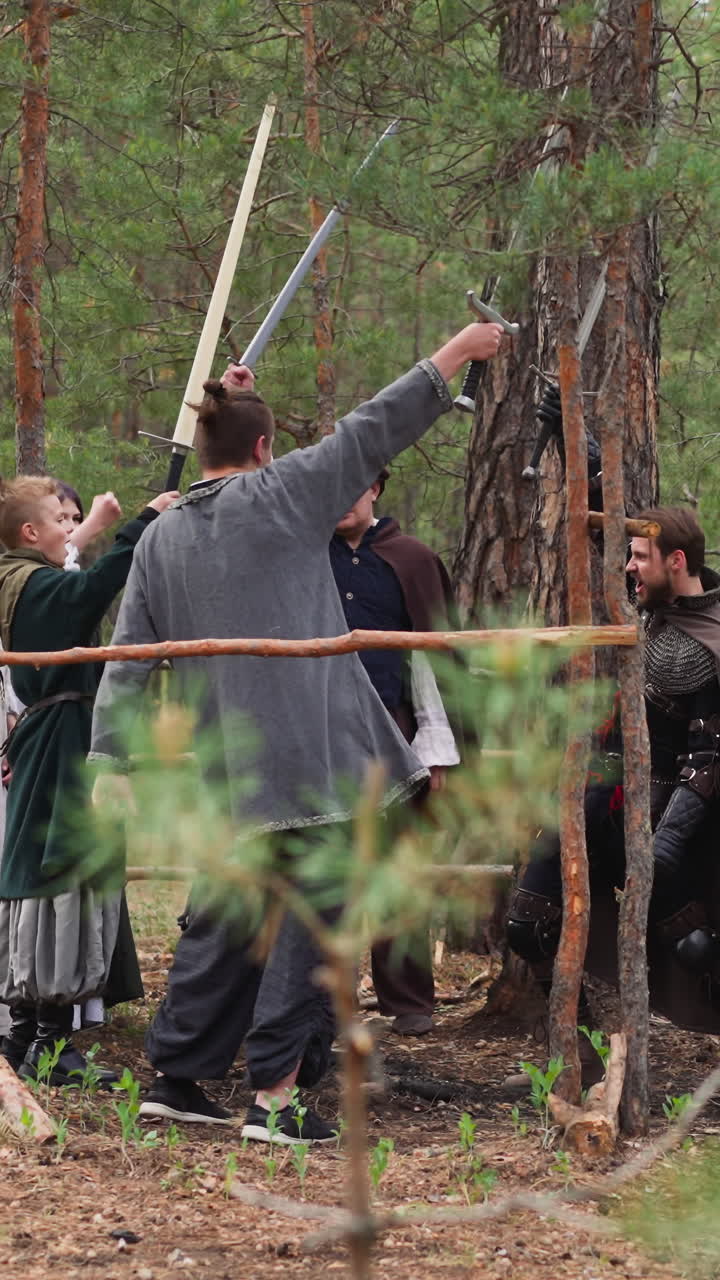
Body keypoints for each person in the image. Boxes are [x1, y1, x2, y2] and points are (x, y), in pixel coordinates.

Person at [89, 321, 504, 1142]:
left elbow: (129, 654)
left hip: (229, 772)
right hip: (315, 767)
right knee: (309, 926)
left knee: (226, 918)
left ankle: (178, 1076)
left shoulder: (163, 535)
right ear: (264, 447)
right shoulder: (284, 495)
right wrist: (458, 350)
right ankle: (274, 1097)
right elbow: (374, 426)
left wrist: (109, 756)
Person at [506, 507, 720, 1023]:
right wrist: (597, 484)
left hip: (666, 816)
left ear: (676, 561)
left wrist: (664, 846)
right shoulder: (648, 601)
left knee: (696, 949)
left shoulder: (710, 642)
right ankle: (583, 1050)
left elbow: (707, 759)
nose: (628, 567)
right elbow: (611, 535)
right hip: (598, 796)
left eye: (640, 557)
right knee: (527, 924)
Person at [0, 477, 178, 1084]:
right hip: (63, 742)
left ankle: (26, 1036)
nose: (71, 531)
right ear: (31, 532)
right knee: (64, 868)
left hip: (52, 734)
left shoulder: (20, 580)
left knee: (45, 871)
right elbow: (95, 586)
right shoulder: (36, 586)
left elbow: (80, 578)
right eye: (62, 521)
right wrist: (145, 520)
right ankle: (50, 1045)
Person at [330, 471, 460, 1035]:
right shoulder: (309, 557)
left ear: (376, 488)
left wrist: (434, 746)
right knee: (326, 871)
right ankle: (324, 998)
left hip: (396, 735)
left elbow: (431, 659)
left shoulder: (413, 559)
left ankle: (407, 1000)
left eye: (353, 485)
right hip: (322, 737)